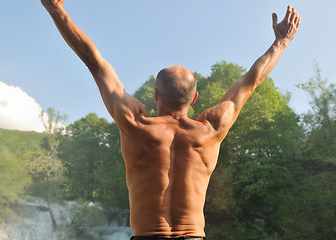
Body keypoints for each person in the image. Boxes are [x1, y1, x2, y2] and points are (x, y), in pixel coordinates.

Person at [41, 1, 301, 239]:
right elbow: (251, 82)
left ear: (155, 94)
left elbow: (95, 64)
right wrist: (281, 42)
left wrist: (57, 11)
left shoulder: (135, 124)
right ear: (195, 97)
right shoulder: (210, 130)